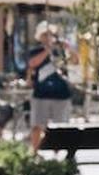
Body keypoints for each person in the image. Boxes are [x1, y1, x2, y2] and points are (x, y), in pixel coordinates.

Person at [26, 20, 76, 150]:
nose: (48, 37)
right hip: (41, 95)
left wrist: (69, 48)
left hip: (61, 95)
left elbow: (75, 61)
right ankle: (35, 151)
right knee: (37, 125)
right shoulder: (35, 51)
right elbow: (32, 63)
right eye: (45, 34)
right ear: (40, 37)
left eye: (50, 34)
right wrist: (47, 51)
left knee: (61, 127)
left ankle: (59, 151)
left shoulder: (61, 51)